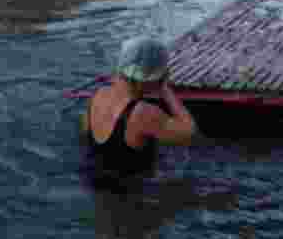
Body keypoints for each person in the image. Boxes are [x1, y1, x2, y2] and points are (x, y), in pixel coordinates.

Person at [81, 37, 198, 184]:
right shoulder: (143, 113)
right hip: (132, 196)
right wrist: (165, 91)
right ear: (152, 77)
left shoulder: (97, 95)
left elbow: (85, 134)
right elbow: (189, 131)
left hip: (93, 183)